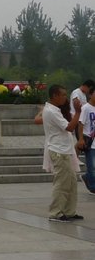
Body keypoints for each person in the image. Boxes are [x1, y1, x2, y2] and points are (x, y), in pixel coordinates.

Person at [36, 85, 82, 221]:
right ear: (55, 95)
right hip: (58, 151)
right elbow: (69, 127)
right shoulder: (51, 111)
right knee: (62, 182)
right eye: (62, 95)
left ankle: (69, 211)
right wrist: (78, 112)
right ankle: (56, 212)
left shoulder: (53, 110)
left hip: (64, 150)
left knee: (72, 182)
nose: (65, 98)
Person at [79, 87, 95, 193]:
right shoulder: (86, 108)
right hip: (90, 141)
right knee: (92, 165)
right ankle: (93, 187)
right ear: (90, 95)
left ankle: (86, 177)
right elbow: (80, 124)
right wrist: (80, 139)